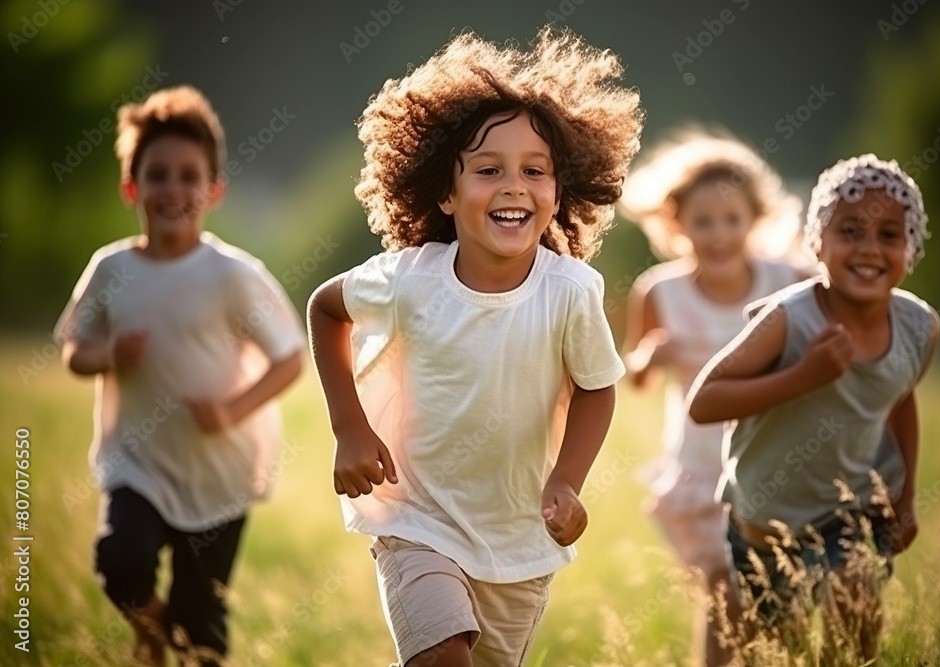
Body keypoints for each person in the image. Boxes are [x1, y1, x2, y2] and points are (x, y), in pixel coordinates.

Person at [308, 27, 643, 667]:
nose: (514, 186)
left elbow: (597, 385)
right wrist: (349, 428)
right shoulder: (410, 278)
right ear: (445, 191)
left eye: (534, 171)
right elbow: (326, 308)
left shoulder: (571, 292)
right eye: (489, 170)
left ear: (558, 192)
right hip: (417, 521)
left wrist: (567, 481)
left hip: (518, 539)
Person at [55, 85, 306, 666]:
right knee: (122, 561)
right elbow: (74, 351)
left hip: (220, 474)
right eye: (158, 175)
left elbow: (290, 357)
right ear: (131, 188)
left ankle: (184, 639)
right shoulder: (110, 269)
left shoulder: (233, 275)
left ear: (213, 190)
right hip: (136, 463)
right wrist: (109, 353)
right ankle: (150, 627)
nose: (174, 189)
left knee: (202, 625)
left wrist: (233, 408)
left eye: (189, 176)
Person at [687, 154, 940, 662]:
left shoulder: (920, 327)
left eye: (890, 234)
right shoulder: (787, 319)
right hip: (768, 517)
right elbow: (704, 400)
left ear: (911, 248)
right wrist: (804, 376)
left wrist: (907, 497)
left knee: (856, 609)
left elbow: (899, 397)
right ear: (817, 240)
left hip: (852, 512)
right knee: (781, 649)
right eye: (850, 230)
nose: (869, 248)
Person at [618, 128, 812, 666]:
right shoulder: (660, 290)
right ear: (676, 223)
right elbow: (633, 375)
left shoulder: (789, 280)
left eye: (732, 220)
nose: (719, 235)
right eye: (703, 222)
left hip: (774, 462)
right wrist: (648, 357)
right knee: (726, 595)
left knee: (778, 602)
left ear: (755, 218)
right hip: (699, 468)